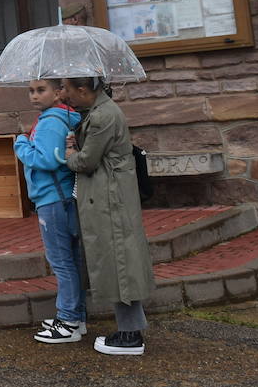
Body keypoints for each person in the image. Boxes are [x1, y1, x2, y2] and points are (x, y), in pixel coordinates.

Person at [62, 76, 155, 356]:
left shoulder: (103, 116)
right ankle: (129, 329)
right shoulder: (98, 112)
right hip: (110, 195)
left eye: (67, 89)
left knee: (119, 263)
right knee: (119, 261)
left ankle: (130, 337)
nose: (63, 94)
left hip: (110, 197)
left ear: (82, 90)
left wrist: (69, 153)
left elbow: (87, 161)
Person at [14, 79, 85, 344]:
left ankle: (67, 321)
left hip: (53, 199)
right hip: (64, 197)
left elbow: (45, 160)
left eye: (40, 90)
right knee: (72, 261)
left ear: (58, 93)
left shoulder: (50, 122)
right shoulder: (60, 118)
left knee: (62, 263)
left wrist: (20, 143)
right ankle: (76, 318)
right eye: (31, 91)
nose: (34, 96)